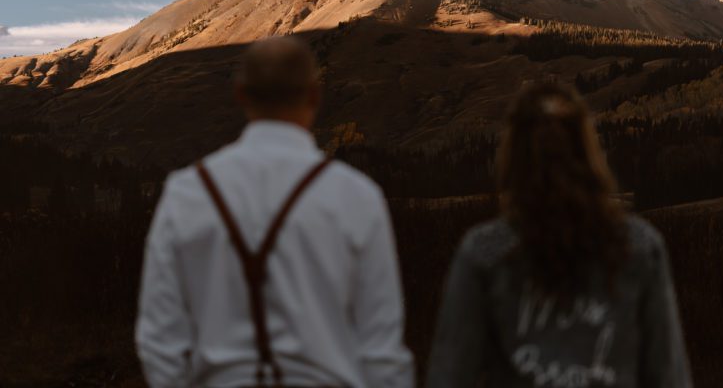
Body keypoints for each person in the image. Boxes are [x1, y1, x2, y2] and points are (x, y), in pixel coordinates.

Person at [136, 36, 413, 388]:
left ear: (240, 94)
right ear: (314, 94)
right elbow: (381, 346)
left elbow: (158, 338)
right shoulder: (357, 196)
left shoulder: (187, 192)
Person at [426, 82, 692, 388]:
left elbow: (449, 375)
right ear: (588, 152)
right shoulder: (640, 247)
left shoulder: (484, 252)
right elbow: (669, 376)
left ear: (513, 155)